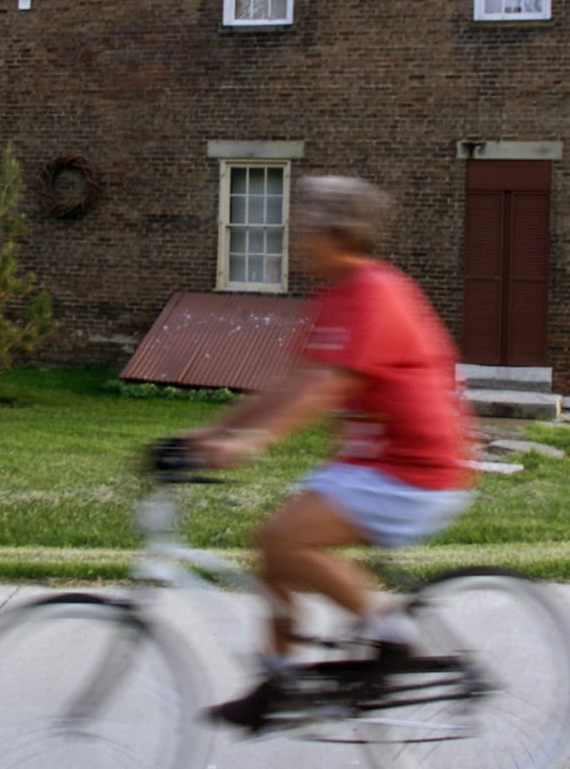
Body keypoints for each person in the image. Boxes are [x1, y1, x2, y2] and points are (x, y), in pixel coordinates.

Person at [185, 175, 480, 732]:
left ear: (338, 230)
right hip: (370, 463)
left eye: (306, 220)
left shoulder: (376, 292)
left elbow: (327, 389)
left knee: (283, 539)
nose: (296, 231)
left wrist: (251, 444)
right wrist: (209, 432)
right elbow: (291, 385)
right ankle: (276, 682)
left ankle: (393, 634)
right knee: (271, 550)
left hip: (418, 470)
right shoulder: (336, 296)